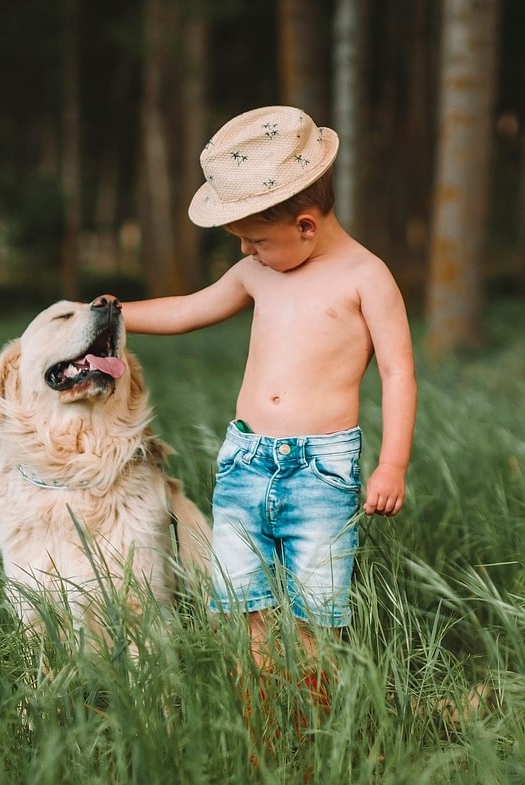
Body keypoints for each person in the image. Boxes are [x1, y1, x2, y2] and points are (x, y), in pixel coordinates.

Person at [116, 105, 416, 679]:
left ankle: (312, 725)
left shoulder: (366, 277)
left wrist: (392, 465)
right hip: (246, 462)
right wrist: (114, 315)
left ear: (306, 225)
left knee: (316, 610)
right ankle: (256, 721)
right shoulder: (258, 273)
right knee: (242, 602)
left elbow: (398, 373)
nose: (246, 252)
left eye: (256, 240)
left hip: (321, 470)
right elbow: (186, 310)